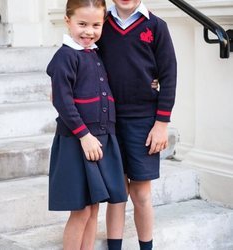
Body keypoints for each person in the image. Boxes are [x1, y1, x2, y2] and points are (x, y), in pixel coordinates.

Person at [46, 0, 128, 249]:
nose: (89, 31)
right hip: (77, 142)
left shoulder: (93, 52)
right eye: (82, 24)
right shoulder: (65, 57)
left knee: (94, 208)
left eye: (95, 25)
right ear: (67, 21)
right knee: (80, 211)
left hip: (99, 140)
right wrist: (84, 135)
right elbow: (63, 101)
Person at [97, 0, 177, 249]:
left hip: (143, 122)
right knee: (116, 193)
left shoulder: (157, 26)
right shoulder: (101, 24)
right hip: (108, 121)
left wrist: (162, 123)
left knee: (141, 193)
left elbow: (169, 75)